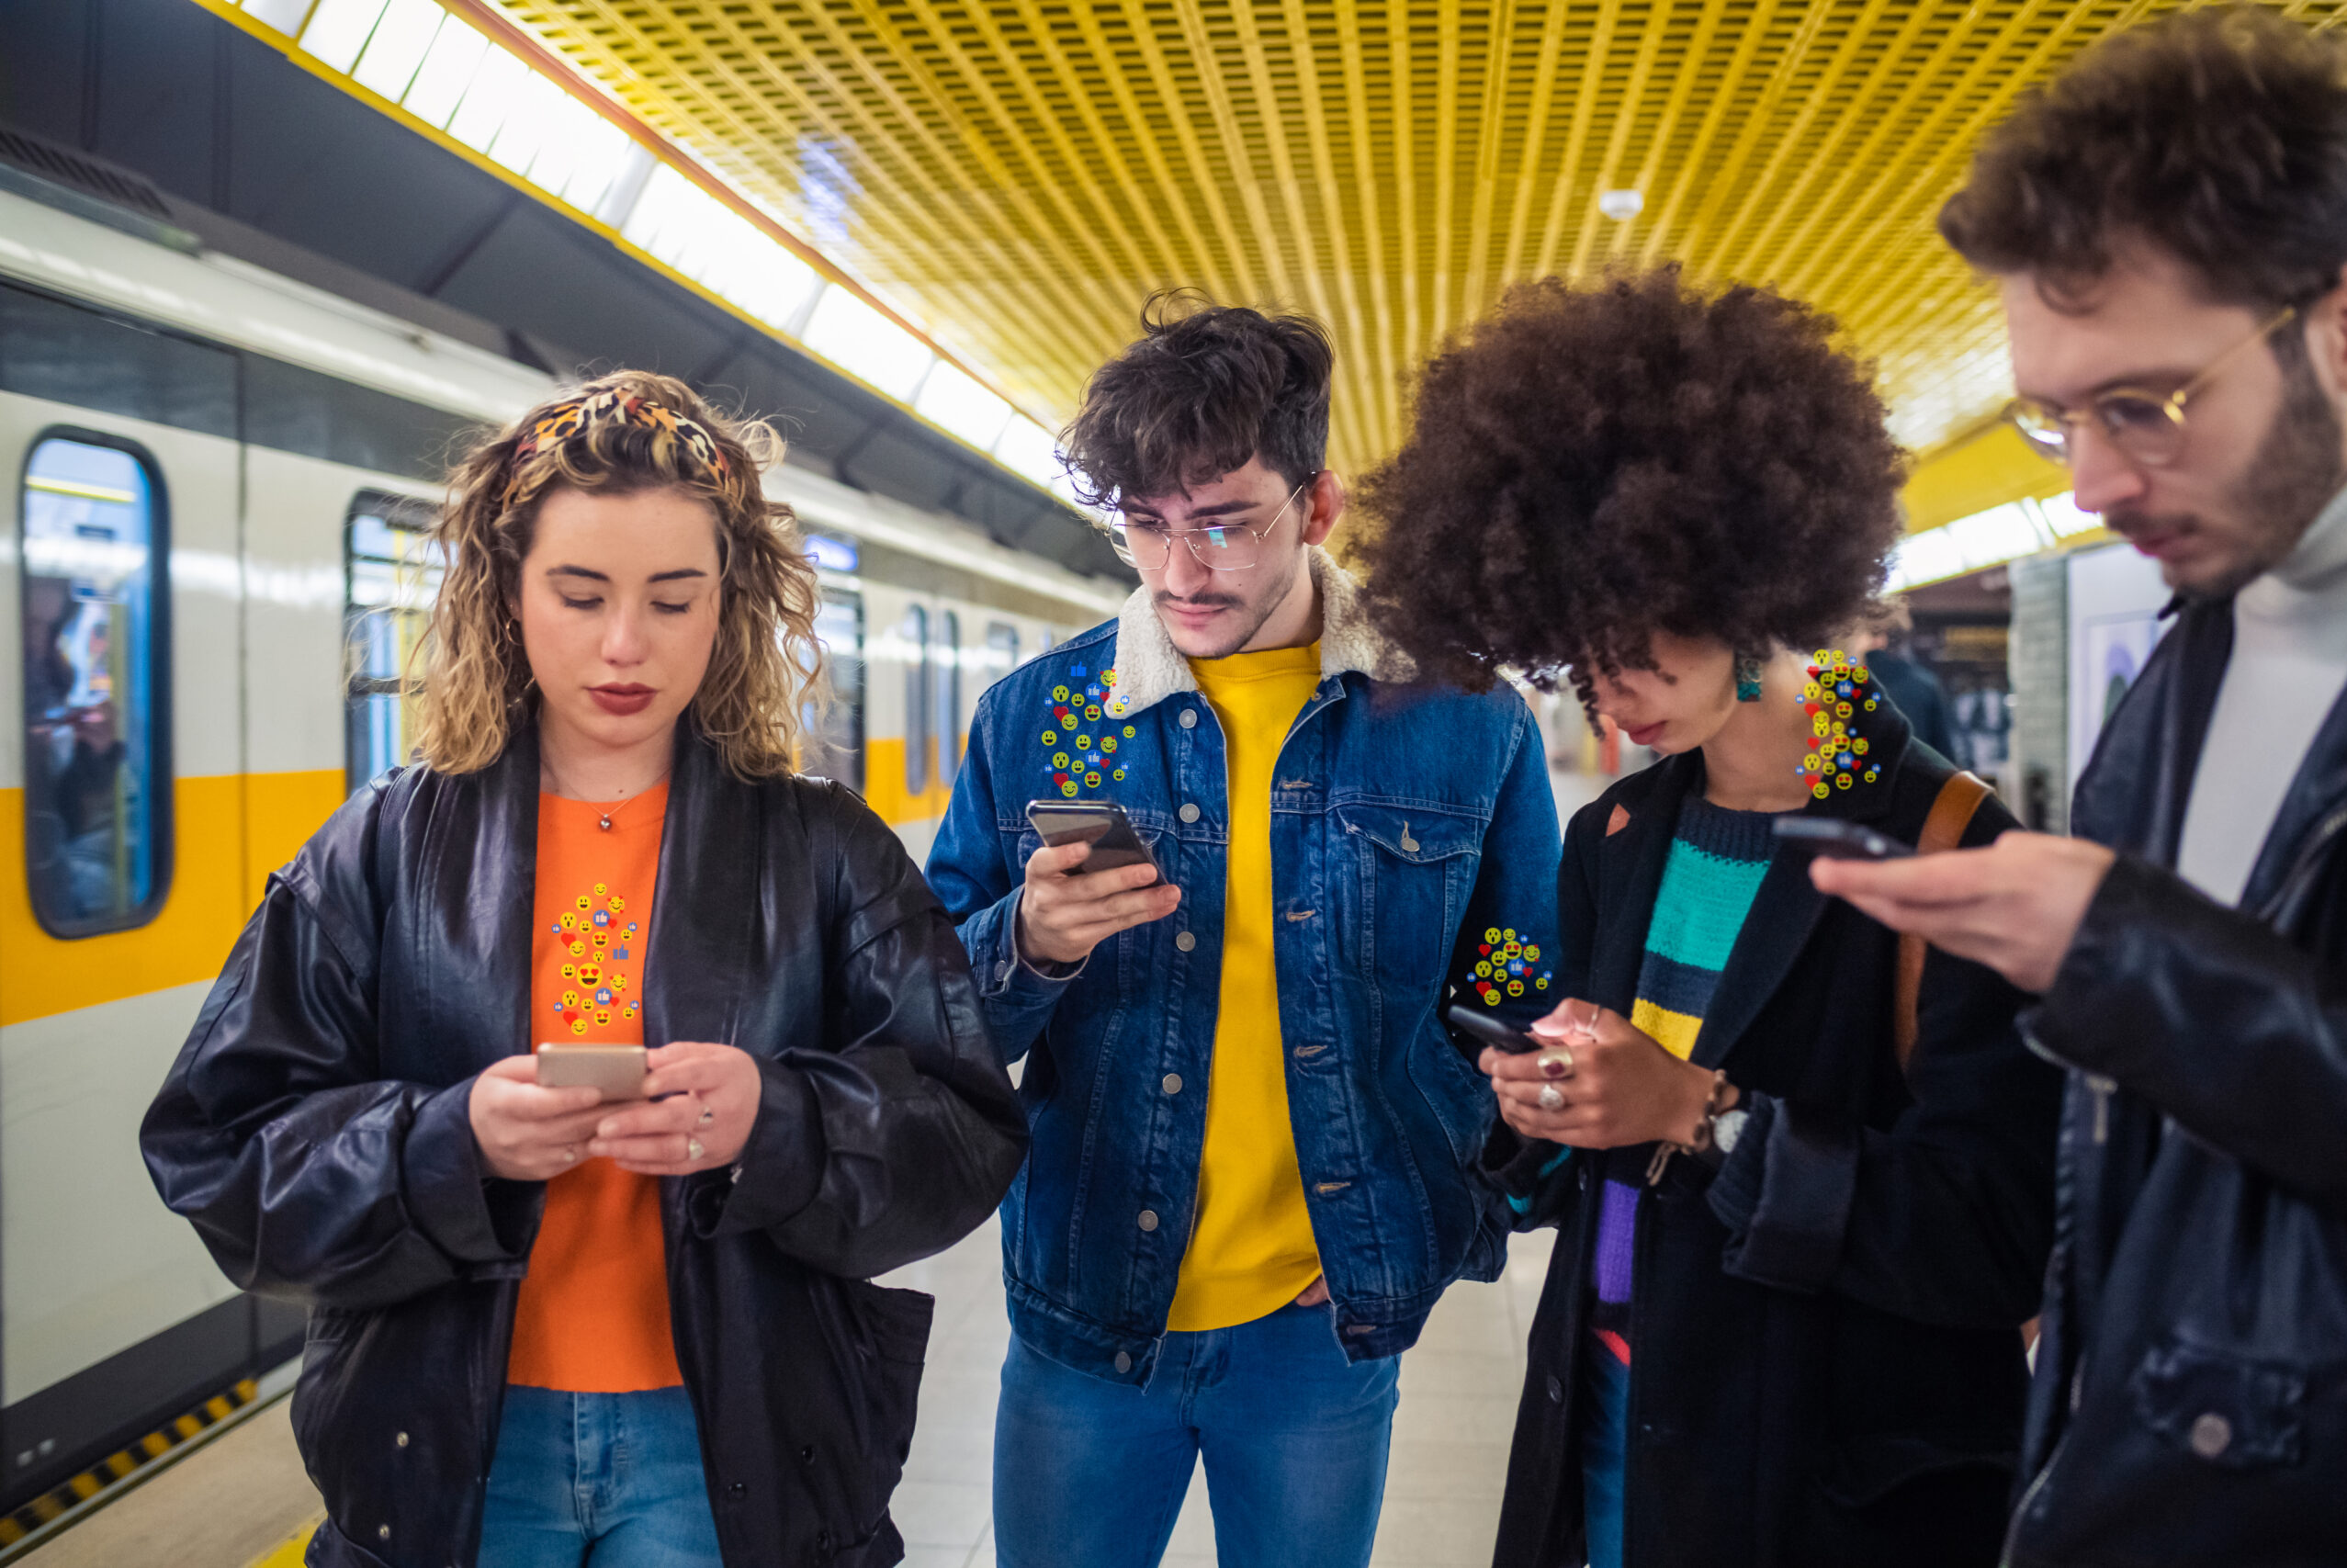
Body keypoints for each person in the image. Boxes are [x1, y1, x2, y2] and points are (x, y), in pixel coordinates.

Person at [141, 372, 1026, 1568]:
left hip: (727, 1442)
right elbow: (221, 1146)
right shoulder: (383, 848)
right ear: (507, 595)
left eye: (674, 599)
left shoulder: (822, 848)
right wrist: (452, 1141)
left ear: (730, 605)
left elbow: (966, 1127)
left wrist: (775, 1118)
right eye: (579, 592)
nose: (625, 644)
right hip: (454, 1435)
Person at [1353, 269, 2062, 1568]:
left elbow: (1994, 1235)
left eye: (1643, 645)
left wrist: (1699, 1114)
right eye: (1581, 657)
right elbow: (1584, 1161)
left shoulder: (1952, 845)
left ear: (1746, 580)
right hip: (1610, 1409)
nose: (1615, 701)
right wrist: (1547, 1110)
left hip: (1825, 1469)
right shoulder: (1615, 838)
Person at [1818, 11, 2347, 1562]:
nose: (2092, 485)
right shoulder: (2193, 658)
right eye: (2060, 418)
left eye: (2148, 405)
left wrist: (2121, 951)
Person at [925, 294, 1563, 1568]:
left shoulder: (1461, 722)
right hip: (1090, 1305)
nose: (1179, 569)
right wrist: (1032, 940)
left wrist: (1430, 1206)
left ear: (1317, 504)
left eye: (1223, 521)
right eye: (1146, 526)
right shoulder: (1039, 717)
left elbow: (1517, 985)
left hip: (1317, 1322)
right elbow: (926, 1012)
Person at [1849, 599, 1961, 765]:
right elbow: (1945, 756)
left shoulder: (1846, 689)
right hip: (1918, 787)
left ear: (1879, 638)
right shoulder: (1926, 685)